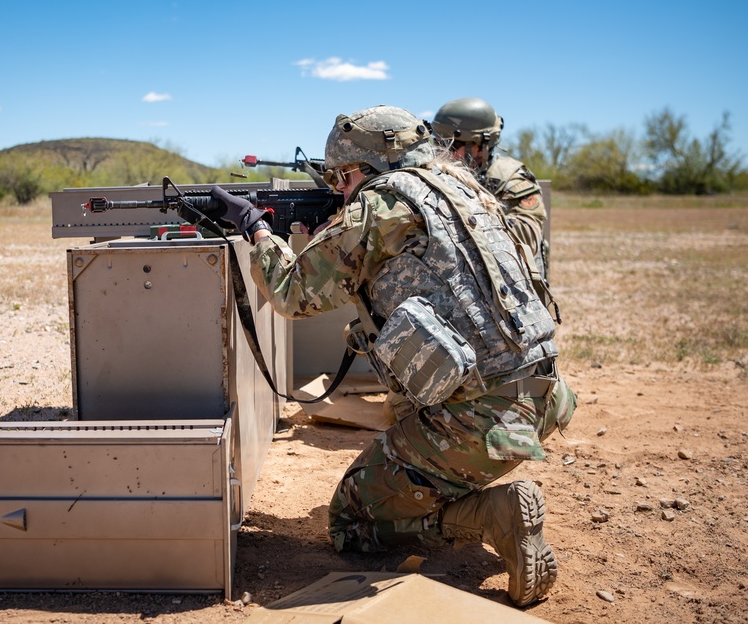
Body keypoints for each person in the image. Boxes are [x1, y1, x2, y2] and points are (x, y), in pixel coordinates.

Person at [210, 105, 577, 607]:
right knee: (400, 410)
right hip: (544, 395)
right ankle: (449, 477)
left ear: (364, 169)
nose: (340, 188)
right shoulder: (466, 189)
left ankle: (493, 513)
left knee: (349, 521)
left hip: (481, 420)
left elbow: (293, 293)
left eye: (342, 177)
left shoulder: (381, 205)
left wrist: (256, 229)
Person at [431, 97, 554, 312]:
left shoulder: (509, 178)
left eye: (454, 145)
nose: (445, 152)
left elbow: (528, 234)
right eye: (439, 143)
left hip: (514, 293)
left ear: (482, 145)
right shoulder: (436, 175)